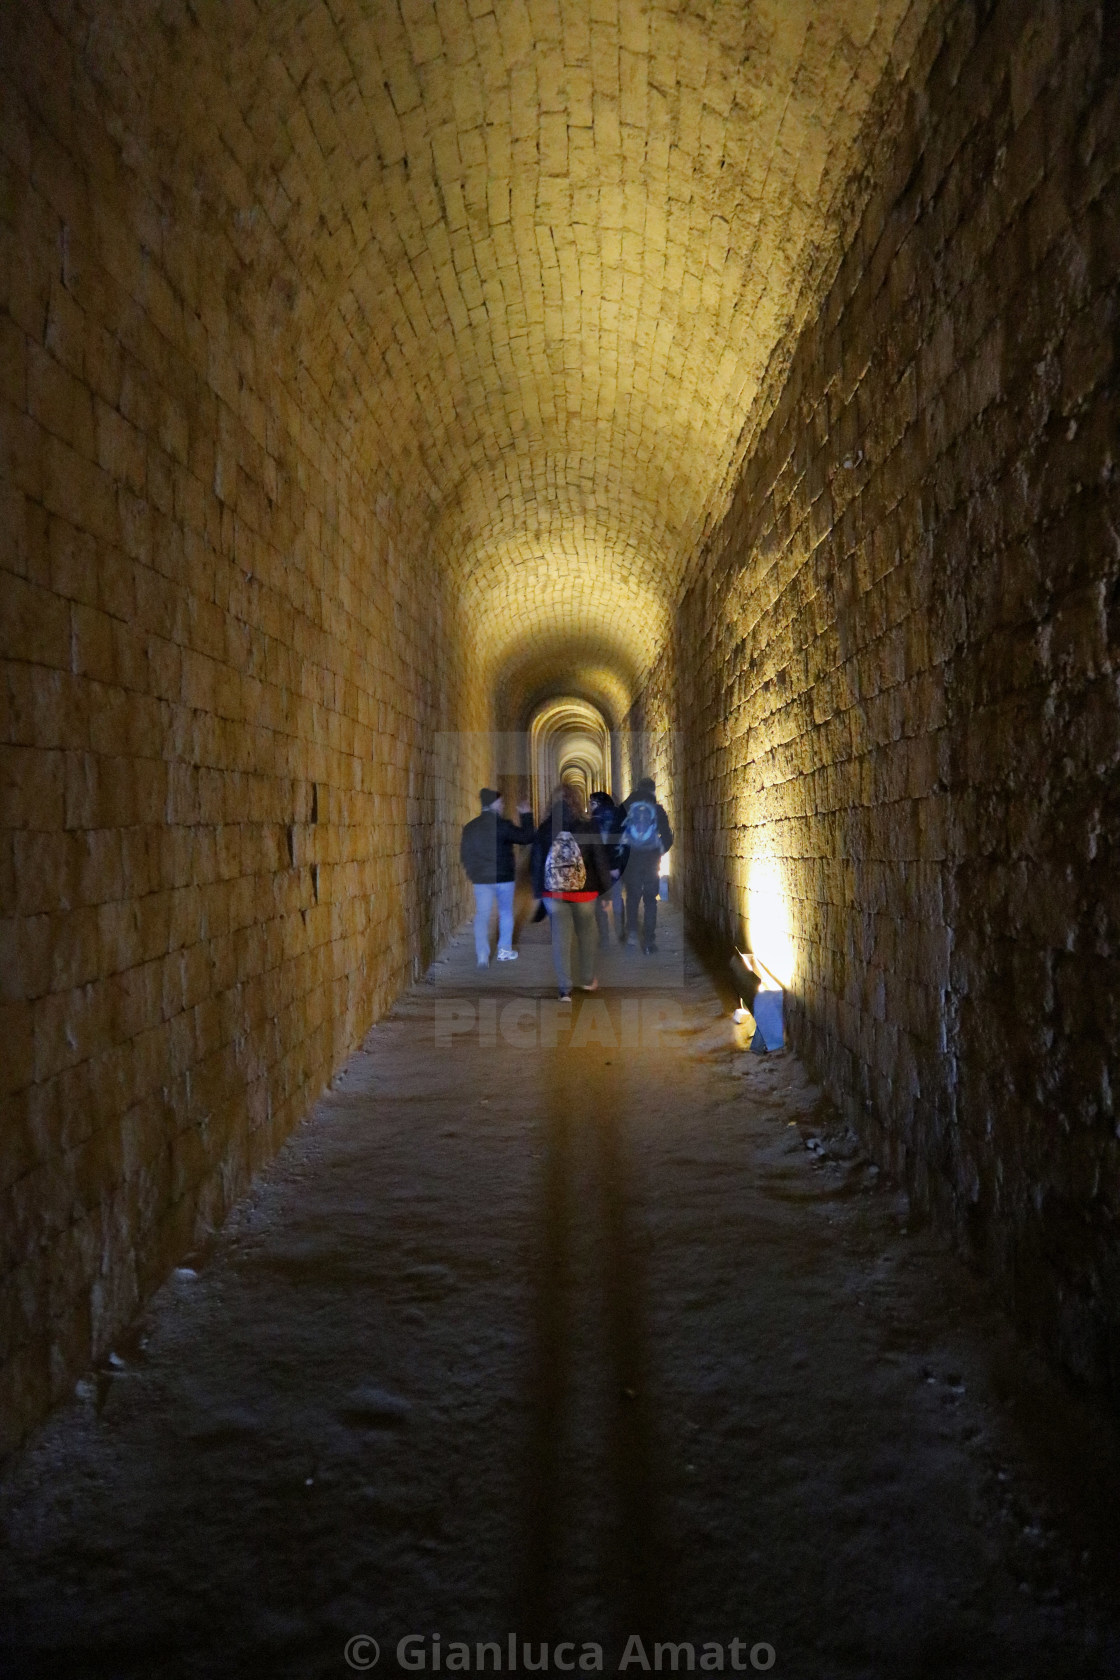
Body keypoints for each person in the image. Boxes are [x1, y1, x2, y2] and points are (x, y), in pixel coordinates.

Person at [530, 784, 612, 1002]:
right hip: (584, 892)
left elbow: (537, 861)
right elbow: (600, 860)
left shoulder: (545, 828)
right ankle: (587, 979)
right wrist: (606, 894)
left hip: (554, 893)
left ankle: (564, 989)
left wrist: (539, 892)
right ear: (578, 801)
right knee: (587, 933)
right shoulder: (588, 826)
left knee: (560, 938)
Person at [460, 787, 534, 967]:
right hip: (504, 878)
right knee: (506, 913)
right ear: (493, 804)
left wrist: (473, 872)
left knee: (482, 915)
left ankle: (482, 955)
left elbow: (465, 854)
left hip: (482, 879)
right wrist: (526, 815)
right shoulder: (503, 826)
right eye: (500, 803)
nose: (502, 806)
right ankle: (504, 951)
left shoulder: (471, 827)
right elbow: (526, 837)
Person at [617, 776, 673, 954]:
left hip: (631, 861)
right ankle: (649, 942)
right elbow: (667, 837)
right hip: (651, 860)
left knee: (632, 898)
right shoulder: (657, 810)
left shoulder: (626, 807)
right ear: (652, 791)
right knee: (650, 901)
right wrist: (659, 851)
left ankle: (632, 936)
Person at [589, 790, 627, 942]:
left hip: (602, 866)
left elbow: (599, 844)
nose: (590, 807)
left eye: (592, 803)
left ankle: (604, 937)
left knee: (600, 901)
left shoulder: (597, 817)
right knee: (617, 898)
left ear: (599, 803)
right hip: (618, 864)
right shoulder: (619, 814)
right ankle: (620, 932)